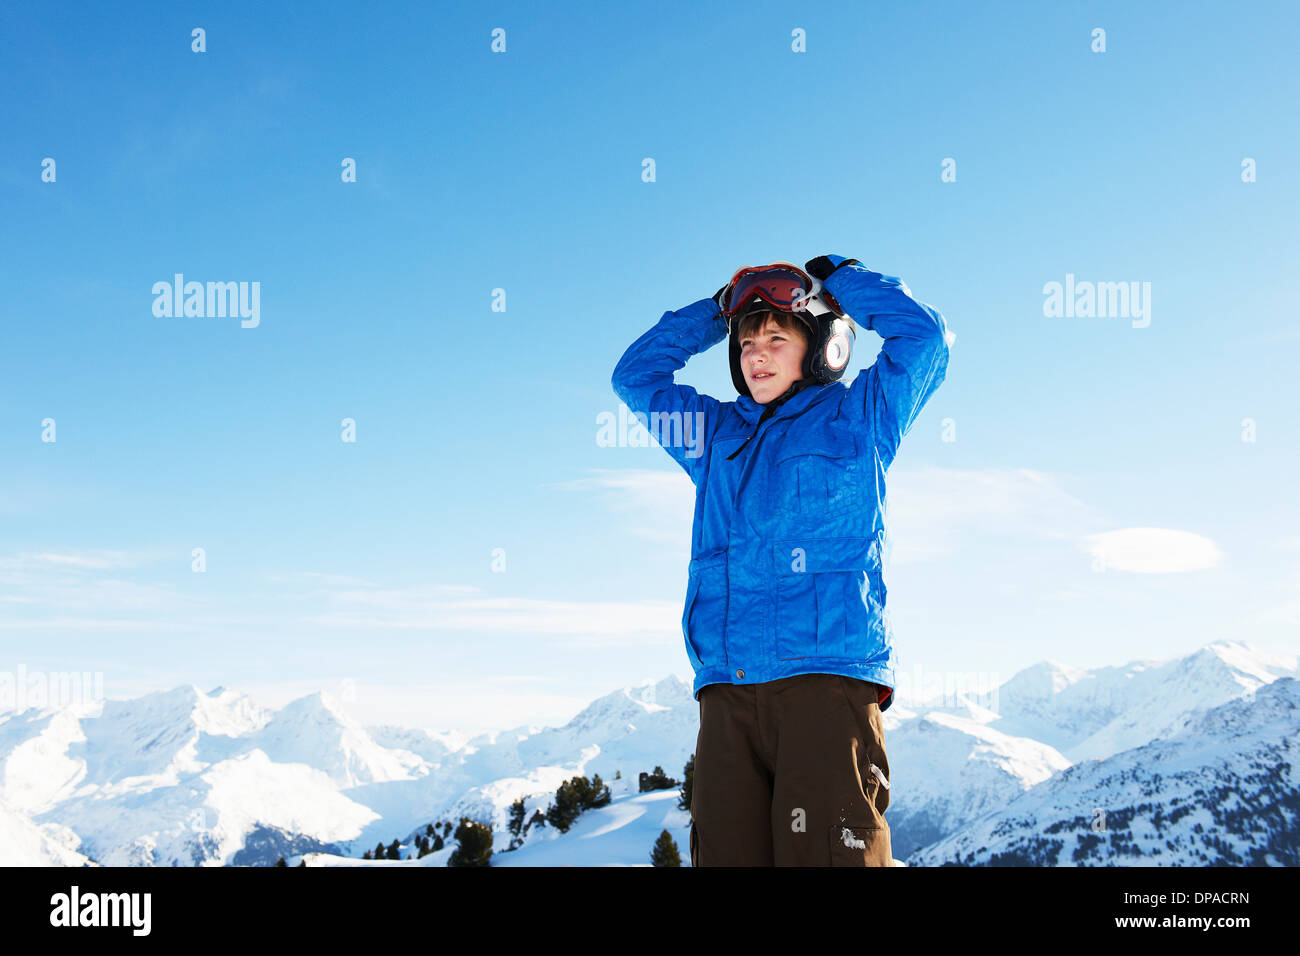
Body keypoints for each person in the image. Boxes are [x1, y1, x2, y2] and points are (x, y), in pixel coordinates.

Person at [611, 255, 952, 866]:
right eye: (745, 343)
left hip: (824, 684)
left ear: (823, 349)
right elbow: (636, 376)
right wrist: (717, 312)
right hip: (728, 691)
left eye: (775, 338)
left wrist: (842, 277)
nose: (755, 355)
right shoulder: (713, 437)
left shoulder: (860, 418)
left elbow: (923, 338)